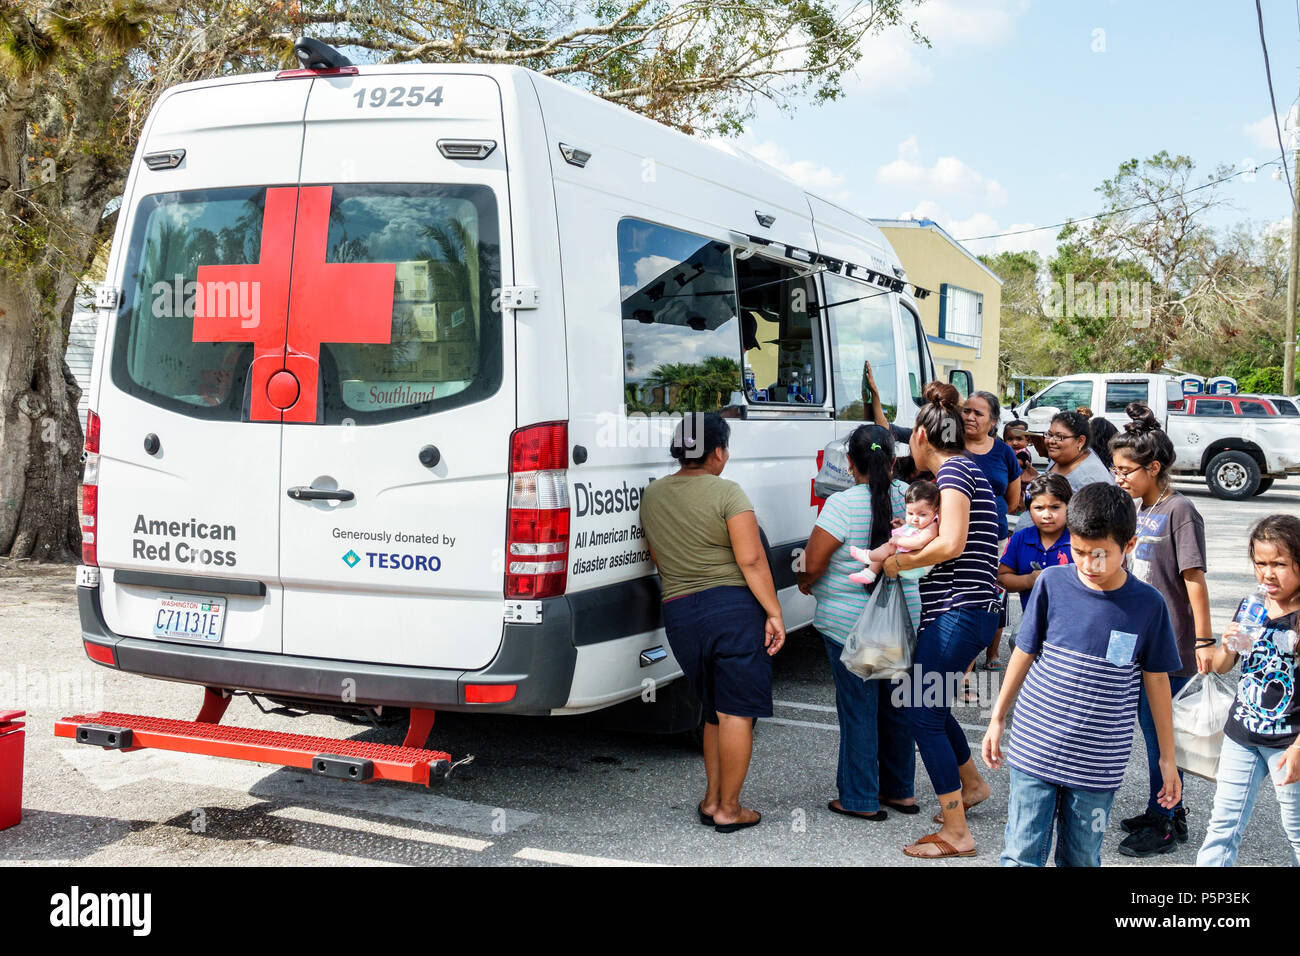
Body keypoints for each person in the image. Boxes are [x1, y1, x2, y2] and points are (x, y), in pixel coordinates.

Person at [983, 482, 1183, 867]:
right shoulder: (1052, 583)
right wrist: (997, 717)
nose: (1089, 565)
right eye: (1078, 552)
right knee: (1021, 854)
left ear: (1129, 546)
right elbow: (1025, 652)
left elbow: (1156, 682)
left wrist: (1168, 759)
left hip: (1098, 762)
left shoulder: (1148, 605)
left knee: (1081, 858)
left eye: (1100, 555)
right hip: (1035, 746)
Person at [639, 413, 785, 833]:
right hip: (733, 609)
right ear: (718, 452)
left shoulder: (654, 495)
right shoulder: (728, 492)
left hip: (680, 612)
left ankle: (711, 799)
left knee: (713, 712)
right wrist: (774, 612)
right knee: (737, 711)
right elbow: (752, 559)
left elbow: (656, 555)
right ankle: (730, 808)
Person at [880, 382, 1000, 859]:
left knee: (921, 714)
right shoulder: (967, 471)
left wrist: (896, 564)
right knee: (932, 705)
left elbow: (951, 545)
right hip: (966, 610)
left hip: (959, 611)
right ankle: (970, 787)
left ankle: (957, 832)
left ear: (921, 437)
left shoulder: (953, 474)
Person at [797, 424, 920, 821]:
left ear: (850, 463)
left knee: (859, 710)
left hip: (850, 624)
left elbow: (813, 563)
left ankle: (859, 797)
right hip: (904, 618)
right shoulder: (914, 498)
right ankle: (900, 791)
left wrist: (805, 582)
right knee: (897, 708)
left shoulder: (843, 504)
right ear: (894, 459)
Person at [1108, 403, 1213, 857]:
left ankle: (1165, 823)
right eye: (1116, 469)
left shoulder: (1180, 511)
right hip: (1137, 643)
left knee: (1162, 739)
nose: (1120, 478)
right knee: (1150, 735)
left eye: (1127, 470)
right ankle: (1168, 807)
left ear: (1154, 468)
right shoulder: (1141, 510)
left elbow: (1194, 579)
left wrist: (1205, 641)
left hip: (1169, 649)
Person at [1197, 514, 1300, 866]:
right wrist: (1226, 645)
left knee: (1296, 830)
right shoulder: (1251, 605)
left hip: (1289, 742)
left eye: (1280, 564)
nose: (1268, 573)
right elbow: (1224, 666)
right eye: (1261, 563)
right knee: (1223, 825)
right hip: (1242, 733)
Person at [961, 390, 1021, 672]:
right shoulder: (950, 445)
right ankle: (965, 659)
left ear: (993, 421)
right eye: (966, 411)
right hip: (956, 537)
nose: (970, 417)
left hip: (993, 539)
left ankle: (992, 650)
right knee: (962, 597)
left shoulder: (1004, 452)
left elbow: (1012, 501)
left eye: (978, 413)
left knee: (993, 595)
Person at [1016, 411, 1113, 534]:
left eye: (1060, 437)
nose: (1051, 441)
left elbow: (1095, 529)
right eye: (1049, 434)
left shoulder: (1091, 480)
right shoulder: (1061, 457)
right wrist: (1038, 480)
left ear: (1080, 441)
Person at [998, 474, 1073, 612]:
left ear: (1069, 506)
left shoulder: (1079, 541)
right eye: (1039, 508)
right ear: (1029, 510)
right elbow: (1002, 578)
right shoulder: (1020, 538)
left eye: (1055, 507)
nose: (1046, 515)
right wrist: (1029, 580)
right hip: (1031, 621)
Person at [848, 479, 940, 584]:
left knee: (889, 547)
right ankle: (869, 573)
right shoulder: (922, 524)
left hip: (916, 566)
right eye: (910, 513)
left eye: (922, 515)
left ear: (935, 510)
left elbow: (919, 543)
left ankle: (868, 556)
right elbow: (916, 534)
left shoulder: (932, 526)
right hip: (911, 562)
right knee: (887, 548)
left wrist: (899, 540)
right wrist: (905, 527)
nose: (915, 519)